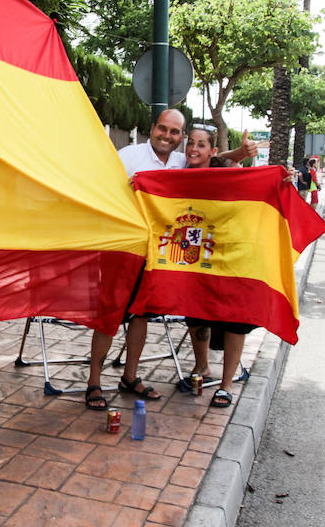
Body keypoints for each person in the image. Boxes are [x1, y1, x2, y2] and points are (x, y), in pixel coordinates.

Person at [84, 110, 258, 410]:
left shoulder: (181, 162)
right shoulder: (128, 156)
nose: (167, 135)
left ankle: (130, 377)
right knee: (110, 316)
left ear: (180, 137)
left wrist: (242, 154)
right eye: (163, 129)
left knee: (141, 315)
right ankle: (94, 383)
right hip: (121, 250)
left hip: (155, 255)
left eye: (175, 132)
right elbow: (98, 188)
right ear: (152, 129)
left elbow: (208, 158)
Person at [181, 126, 258, 408]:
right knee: (195, 312)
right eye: (190, 143)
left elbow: (234, 165)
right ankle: (202, 367)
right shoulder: (179, 170)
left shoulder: (225, 168)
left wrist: (281, 180)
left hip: (231, 249)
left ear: (212, 152)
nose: (194, 149)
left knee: (235, 315)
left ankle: (226, 384)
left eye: (201, 145)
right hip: (195, 251)